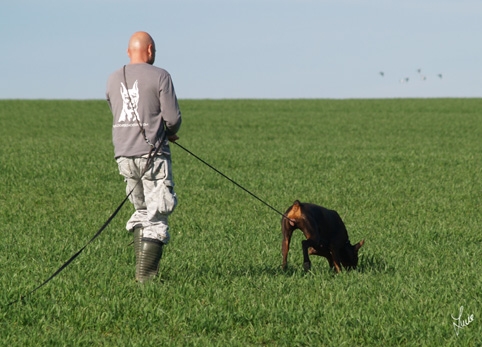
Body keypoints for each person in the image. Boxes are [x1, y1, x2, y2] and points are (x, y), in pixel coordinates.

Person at [106, 31, 182, 283]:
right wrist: (168, 133)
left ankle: (141, 276)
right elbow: (172, 119)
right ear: (149, 50)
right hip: (153, 156)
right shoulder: (161, 76)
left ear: (129, 52)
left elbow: (115, 111)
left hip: (124, 155)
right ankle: (146, 280)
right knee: (157, 214)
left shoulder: (113, 78)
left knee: (141, 210)